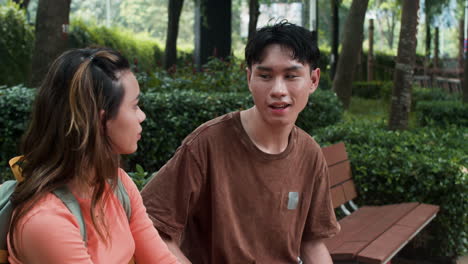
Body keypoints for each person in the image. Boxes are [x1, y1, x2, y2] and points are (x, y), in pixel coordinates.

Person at [141, 22, 340, 263]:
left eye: (291, 76)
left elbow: (312, 243)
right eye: (265, 76)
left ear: (313, 80)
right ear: (249, 78)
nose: (278, 90)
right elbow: (149, 224)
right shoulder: (207, 143)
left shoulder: (309, 154)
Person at [7, 48, 179, 264]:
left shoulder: (119, 185)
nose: (142, 116)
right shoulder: (46, 220)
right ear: (100, 121)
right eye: (134, 106)